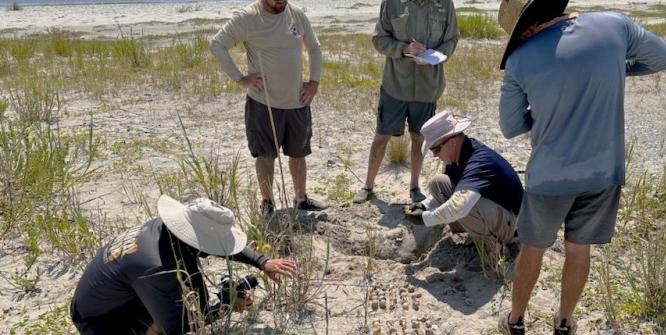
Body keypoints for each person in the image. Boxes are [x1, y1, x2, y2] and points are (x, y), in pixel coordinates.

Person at [496, 0, 666, 335]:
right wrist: (615, 71)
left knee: (532, 249)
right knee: (579, 249)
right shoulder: (613, 26)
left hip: (550, 176)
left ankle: (516, 323)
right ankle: (563, 325)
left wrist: (547, 109)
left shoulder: (520, 60)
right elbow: (664, 57)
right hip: (603, 171)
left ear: (525, 29)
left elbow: (509, 126)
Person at [70, 195, 297, 335]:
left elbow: (226, 250)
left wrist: (262, 262)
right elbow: (175, 324)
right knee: (178, 316)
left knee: (192, 292)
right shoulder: (158, 266)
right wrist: (227, 306)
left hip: (96, 303)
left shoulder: (164, 230)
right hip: (98, 325)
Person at [210, 0, 327, 216]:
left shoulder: (297, 14)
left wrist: (314, 83)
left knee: (298, 153)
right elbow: (217, 44)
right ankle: (268, 203)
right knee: (265, 155)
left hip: (297, 101)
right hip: (263, 103)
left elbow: (315, 48)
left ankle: (301, 199)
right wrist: (240, 78)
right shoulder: (248, 17)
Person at [353, 0, 459, 205]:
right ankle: (368, 186)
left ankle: (414, 187)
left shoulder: (445, 3)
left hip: (428, 88)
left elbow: (452, 39)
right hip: (395, 86)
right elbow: (379, 39)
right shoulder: (391, 3)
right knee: (381, 136)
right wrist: (404, 49)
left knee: (419, 138)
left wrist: (433, 57)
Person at [405, 110, 523, 248]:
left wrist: (424, 218)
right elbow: (451, 192)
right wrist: (423, 206)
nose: (435, 155)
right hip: (497, 214)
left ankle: (492, 249)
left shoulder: (478, 162)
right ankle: (473, 233)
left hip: (515, 226)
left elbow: (458, 207)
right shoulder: (459, 156)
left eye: (436, 149)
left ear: (452, 142)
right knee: (438, 183)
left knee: (464, 204)